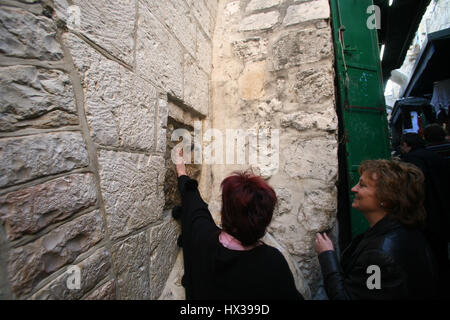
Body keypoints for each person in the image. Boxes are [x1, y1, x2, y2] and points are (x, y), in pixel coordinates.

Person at [172, 148, 303, 300]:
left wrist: (181, 172)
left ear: (225, 211)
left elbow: (195, 207)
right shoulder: (272, 263)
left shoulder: (204, 240)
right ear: (265, 219)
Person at [314, 159, 438, 299]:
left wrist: (327, 256)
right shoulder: (405, 230)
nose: (354, 188)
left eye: (362, 185)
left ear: (385, 197)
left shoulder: (378, 256)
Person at [400, 133, 450, 298]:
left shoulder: (412, 160)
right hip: (441, 213)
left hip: (425, 216)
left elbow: (413, 191)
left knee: (425, 257)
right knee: (441, 254)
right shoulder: (436, 158)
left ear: (407, 144)